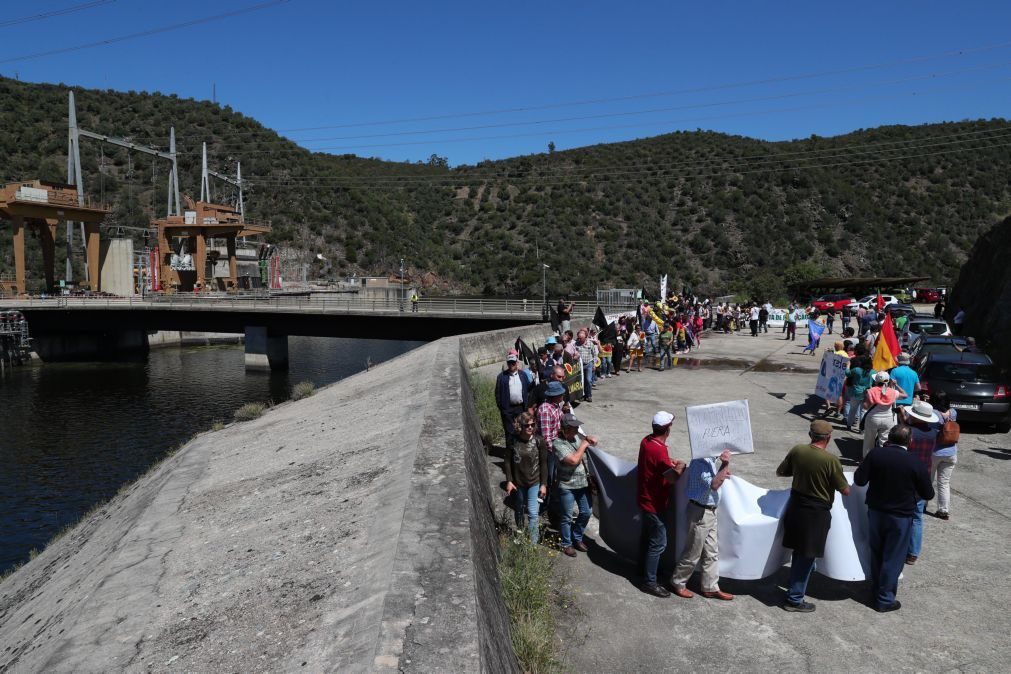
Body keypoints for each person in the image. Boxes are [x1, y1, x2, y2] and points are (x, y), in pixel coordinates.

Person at [854, 425, 934, 612]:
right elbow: (928, 493)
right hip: (900, 517)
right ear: (910, 441)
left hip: (875, 512)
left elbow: (860, 480)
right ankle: (884, 599)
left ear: (889, 438)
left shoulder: (875, 454)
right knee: (893, 557)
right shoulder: (915, 463)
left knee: (877, 553)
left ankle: (875, 590)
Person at [776, 420, 851, 612]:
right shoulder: (831, 460)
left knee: (799, 551)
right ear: (829, 437)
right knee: (806, 555)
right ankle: (794, 599)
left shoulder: (798, 450)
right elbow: (845, 490)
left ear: (811, 435)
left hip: (796, 507)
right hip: (816, 513)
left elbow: (781, 472)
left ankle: (797, 583)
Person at [669, 449, 734, 600]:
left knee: (712, 551)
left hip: (709, 512)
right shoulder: (701, 461)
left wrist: (721, 470)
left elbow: (713, 482)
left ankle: (710, 586)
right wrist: (725, 465)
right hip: (701, 513)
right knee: (693, 551)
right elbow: (715, 485)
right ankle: (677, 582)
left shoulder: (710, 460)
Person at [637, 411, 687, 597]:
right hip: (654, 502)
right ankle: (650, 581)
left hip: (645, 498)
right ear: (667, 429)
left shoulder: (646, 441)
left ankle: (644, 570)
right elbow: (673, 477)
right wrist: (680, 466)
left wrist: (668, 462)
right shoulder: (659, 449)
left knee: (647, 538)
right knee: (659, 543)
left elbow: (659, 464)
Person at [553, 413, 597, 557]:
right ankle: (567, 544)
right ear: (566, 428)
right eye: (574, 427)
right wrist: (584, 445)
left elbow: (587, 442)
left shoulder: (577, 437)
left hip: (582, 484)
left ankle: (577, 537)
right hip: (567, 486)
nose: (577, 429)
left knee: (586, 512)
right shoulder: (558, 444)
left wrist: (588, 439)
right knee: (566, 516)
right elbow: (573, 460)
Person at [504, 412, 549, 544]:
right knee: (519, 510)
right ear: (520, 426)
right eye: (526, 425)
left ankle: (533, 545)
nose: (530, 427)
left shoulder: (539, 441)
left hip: (534, 482)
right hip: (518, 483)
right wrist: (509, 480)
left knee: (533, 514)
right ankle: (521, 536)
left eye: (532, 425)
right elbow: (507, 461)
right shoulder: (512, 440)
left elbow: (544, 464)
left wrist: (544, 484)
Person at [904, 399, 939, 564]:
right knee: (917, 516)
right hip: (923, 475)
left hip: (906, 476)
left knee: (900, 513)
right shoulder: (933, 433)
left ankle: (900, 546)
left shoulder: (907, 432)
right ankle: (913, 552)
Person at [495, 350, 531, 453]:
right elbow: (497, 394)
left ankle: (522, 452)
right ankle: (510, 453)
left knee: (522, 430)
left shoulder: (523, 375)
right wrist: (502, 408)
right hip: (508, 409)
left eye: (513, 362)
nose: (511, 365)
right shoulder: (501, 377)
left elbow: (527, 390)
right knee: (509, 432)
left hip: (520, 408)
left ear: (517, 363)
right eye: (509, 363)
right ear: (507, 364)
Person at [862, 371, 906, 456]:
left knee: (869, 441)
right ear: (889, 381)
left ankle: (867, 459)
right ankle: (883, 458)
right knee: (884, 441)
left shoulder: (871, 391)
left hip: (873, 418)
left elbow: (865, 406)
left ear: (876, 381)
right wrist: (896, 385)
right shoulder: (893, 392)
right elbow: (905, 395)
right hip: (888, 419)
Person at [930, 392, 958, 520]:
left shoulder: (933, 413)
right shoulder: (953, 412)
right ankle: (943, 510)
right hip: (951, 452)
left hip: (935, 451)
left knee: (928, 479)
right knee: (944, 483)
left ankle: (922, 504)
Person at [575, 329, 596, 403]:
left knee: (588, 380)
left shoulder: (590, 344)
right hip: (580, 365)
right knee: (581, 381)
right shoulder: (576, 344)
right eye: (579, 338)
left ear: (585, 337)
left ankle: (589, 395)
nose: (579, 339)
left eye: (581, 338)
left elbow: (594, 354)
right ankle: (582, 395)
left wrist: (594, 364)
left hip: (589, 364)